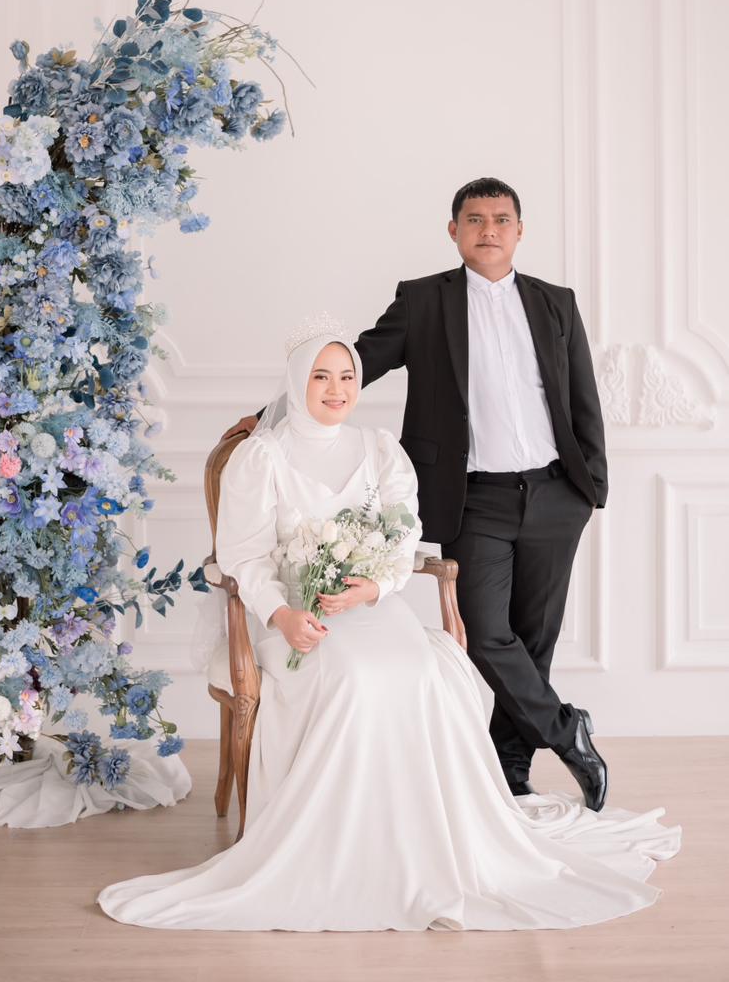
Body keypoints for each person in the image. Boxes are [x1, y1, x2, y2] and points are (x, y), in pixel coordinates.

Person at [97, 322, 679, 932]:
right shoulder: (261, 458)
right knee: (353, 677)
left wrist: (374, 587)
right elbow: (243, 557)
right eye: (321, 377)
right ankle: (343, 846)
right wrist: (284, 615)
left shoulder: (378, 449)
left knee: (428, 670)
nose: (336, 389)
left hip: (371, 606)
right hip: (293, 615)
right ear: (297, 383)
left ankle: (419, 843)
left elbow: (403, 537)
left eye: (347, 376)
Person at [225, 178, 608, 808]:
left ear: (520, 230)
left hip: (554, 493)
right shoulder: (425, 300)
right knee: (487, 634)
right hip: (473, 498)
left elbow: (582, 396)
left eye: (502, 219)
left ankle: (511, 771)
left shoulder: (556, 303)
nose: (489, 229)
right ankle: (569, 733)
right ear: (453, 230)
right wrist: (269, 414)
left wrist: (590, 487)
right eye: (475, 219)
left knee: (534, 639)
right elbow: (354, 363)